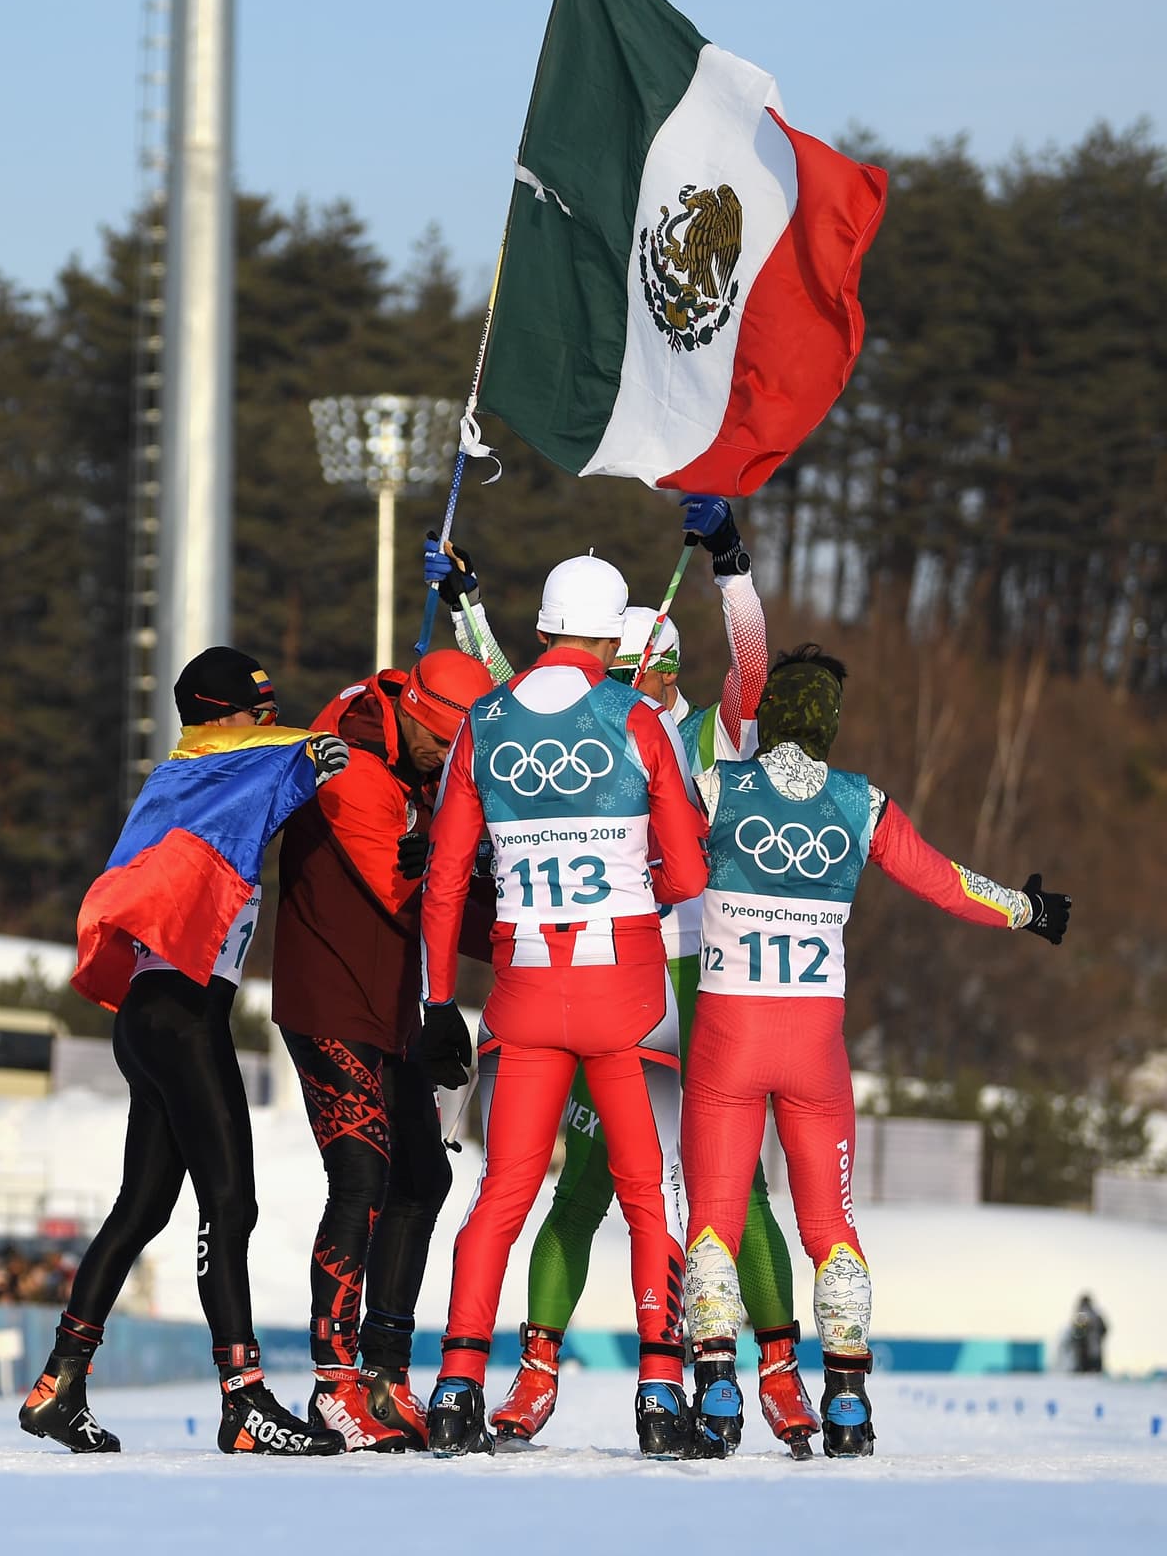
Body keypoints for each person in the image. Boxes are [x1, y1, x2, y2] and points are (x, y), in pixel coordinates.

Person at [425, 500, 819, 1458]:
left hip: (678, 986)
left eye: (664, 663)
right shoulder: (621, 719)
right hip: (630, 984)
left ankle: (775, 1372)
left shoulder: (704, 732)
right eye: (640, 659)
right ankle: (556, 1371)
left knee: (729, 1194)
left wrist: (734, 569)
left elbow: (751, 670)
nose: (652, 673)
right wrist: (471, 609)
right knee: (590, 1190)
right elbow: (534, 691)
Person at [681, 643, 1072, 1458]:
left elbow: (642, 858)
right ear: (830, 727)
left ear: (771, 718)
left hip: (728, 1036)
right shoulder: (862, 803)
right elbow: (944, 880)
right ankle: (850, 1402)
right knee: (832, 1225)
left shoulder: (718, 783)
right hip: (815, 1044)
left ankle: (717, 1389)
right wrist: (1027, 910)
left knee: (713, 1221)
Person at [19, 647, 350, 1458]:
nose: (269, 725)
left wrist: (297, 756)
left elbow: (258, 775)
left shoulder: (190, 780)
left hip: (152, 1017)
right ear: (219, 714)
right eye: (257, 713)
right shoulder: (206, 768)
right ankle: (244, 1400)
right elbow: (257, 766)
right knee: (231, 1203)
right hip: (178, 1020)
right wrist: (310, 752)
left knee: (144, 1206)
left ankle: (60, 1382)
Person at [420, 554, 711, 1458]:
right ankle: (661, 1398)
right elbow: (691, 870)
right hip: (627, 991)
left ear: (544, 624)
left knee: (502, 1194)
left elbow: (441, 881)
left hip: (523, 992)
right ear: (613, 633)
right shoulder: (633, 718)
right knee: (646, 1197)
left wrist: (438, 1003)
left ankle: (459, 1387)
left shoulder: (483, 720)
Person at [272, 647, 495, 1453]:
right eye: (445, 749)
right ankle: (333, 1387)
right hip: (329, 995)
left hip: (390, 1002)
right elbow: (409, 896)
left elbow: (439, 876)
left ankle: (384, 1375)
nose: (450, 765)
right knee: (362, 1173)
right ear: (417, 718)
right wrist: (476, 887)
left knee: (422, 1176)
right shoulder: (356, 769)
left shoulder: (401, 734)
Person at [1069, 1294, 1107, 1372]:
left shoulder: (1081, 1315)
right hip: (1089, 1351)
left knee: (1088, 1375)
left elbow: (1076, 1332)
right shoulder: (1096, 1315)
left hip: (1086, 1352)